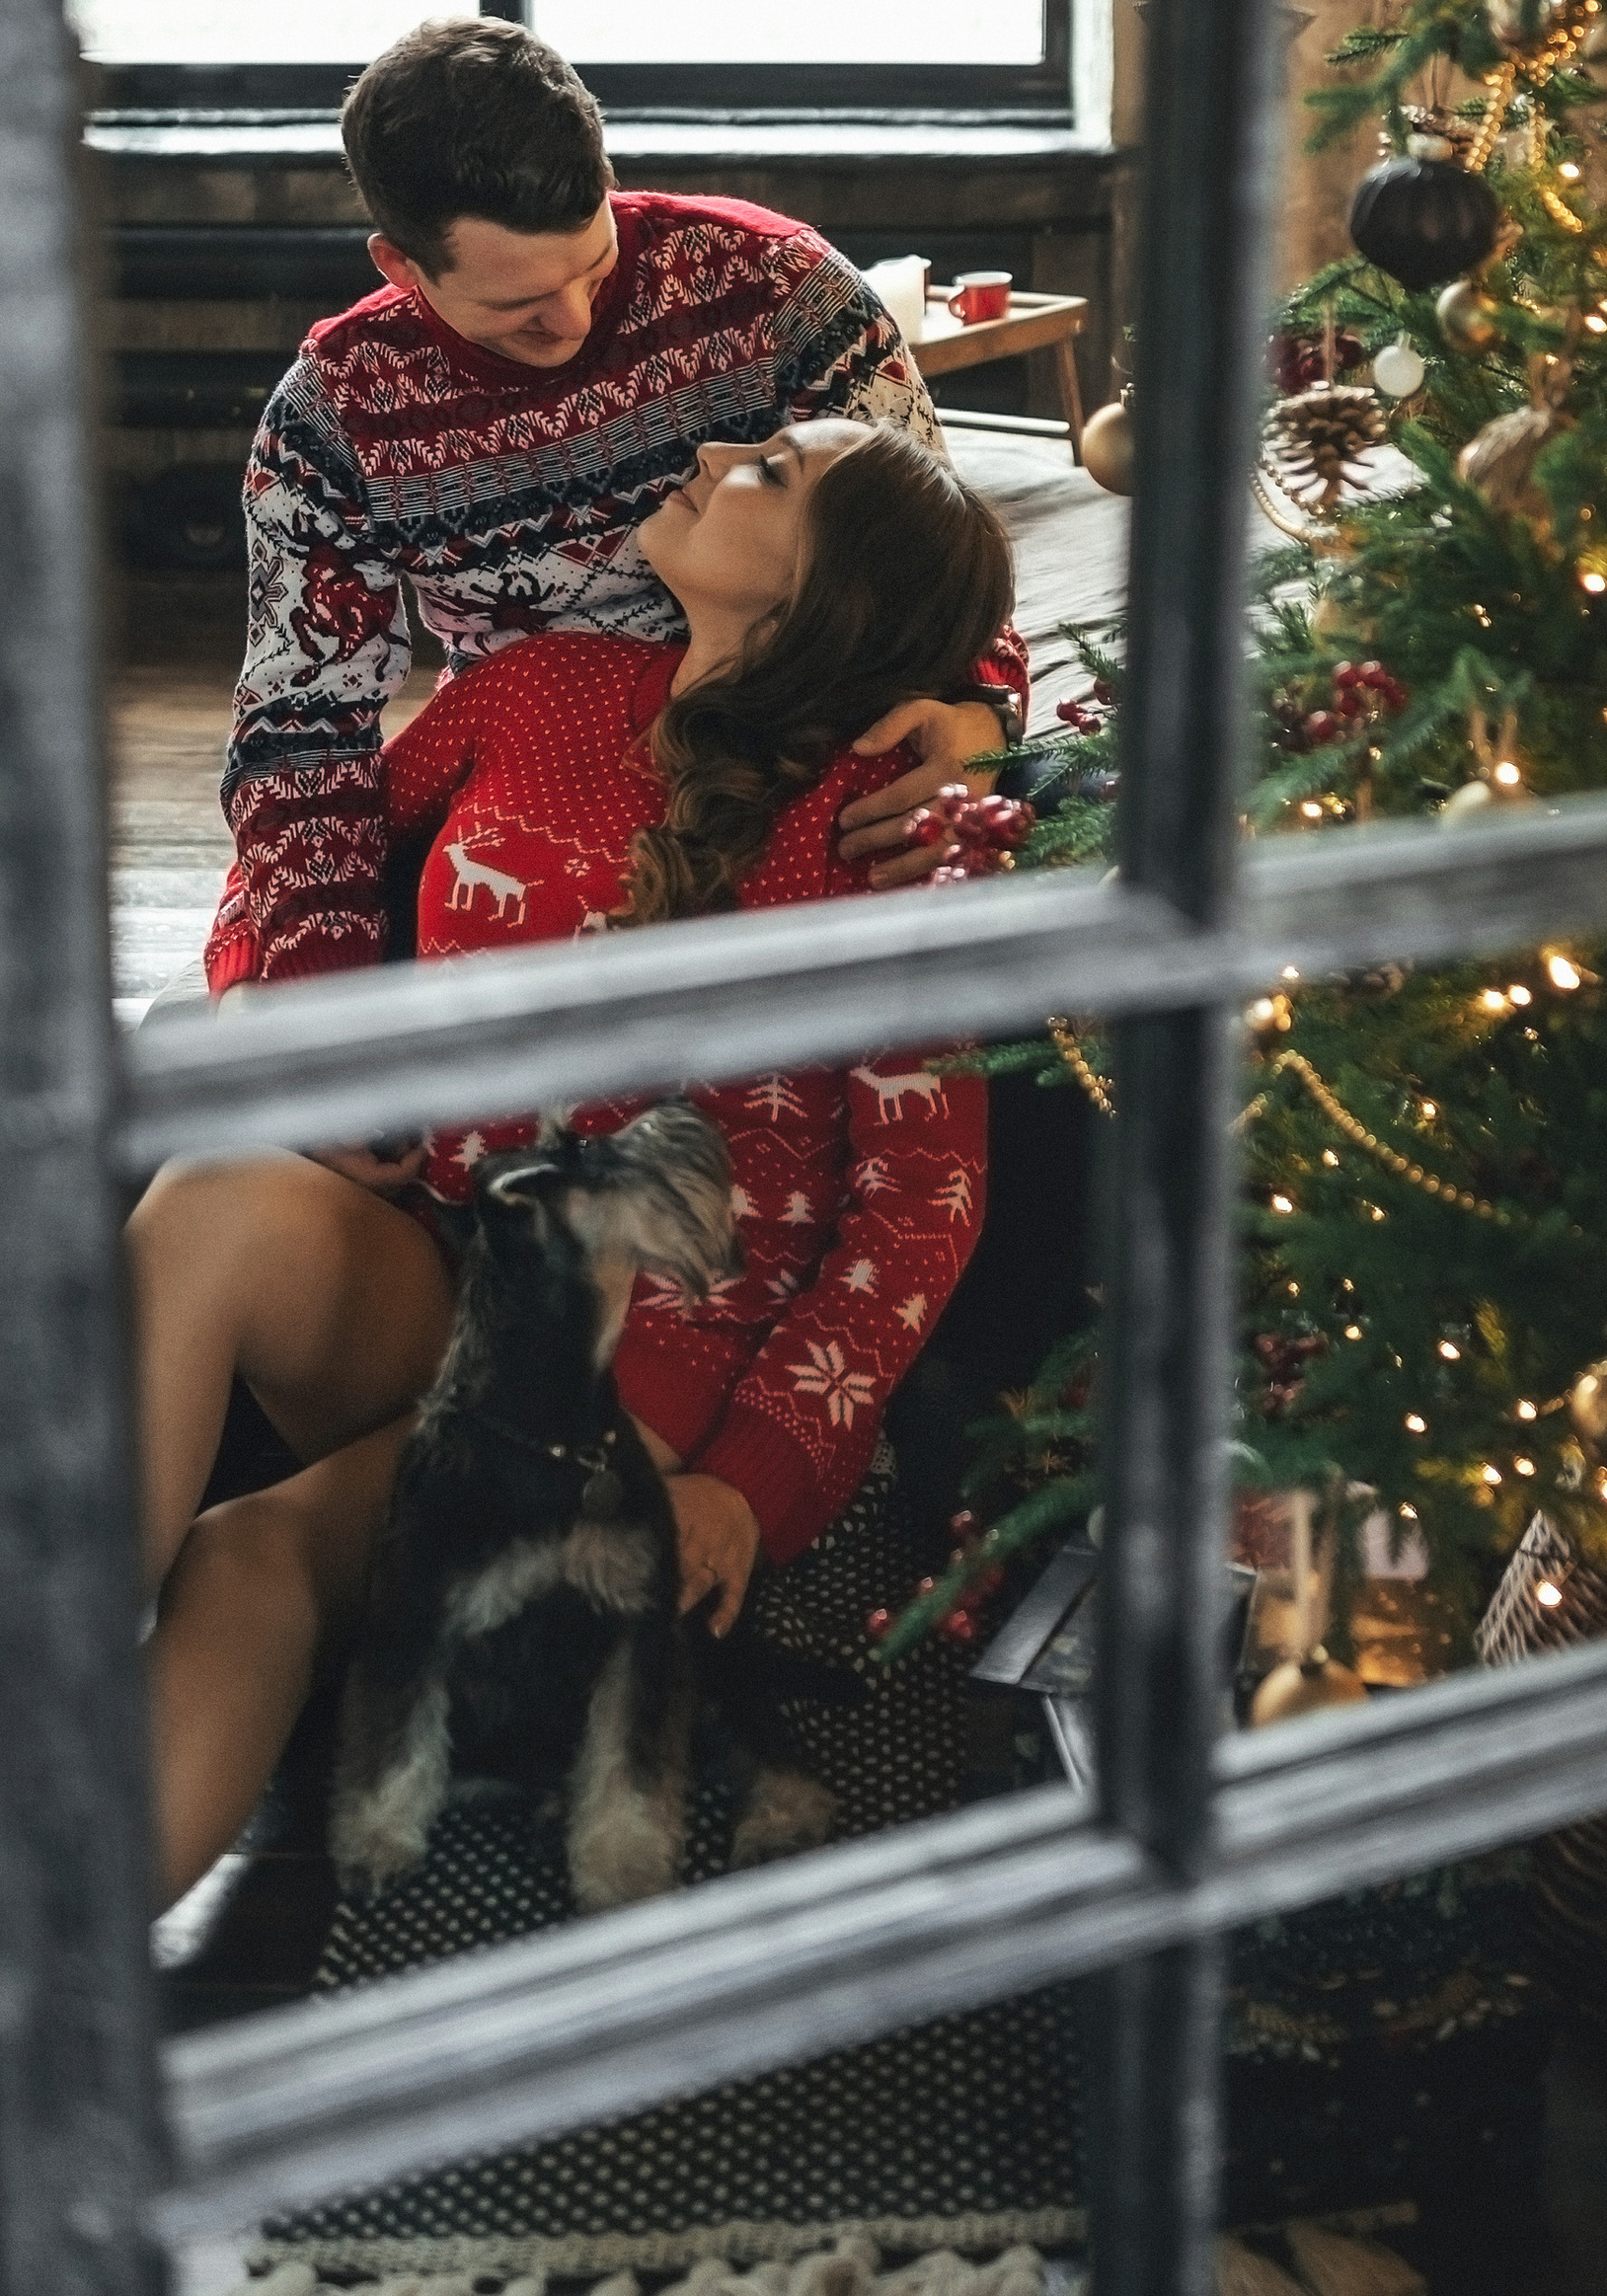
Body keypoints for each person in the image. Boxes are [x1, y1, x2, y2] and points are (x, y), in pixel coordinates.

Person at [135, 415, 1014, 1911]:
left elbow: (919, 1212)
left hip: (641, 1387)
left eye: (776, 472)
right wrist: (293, 1031)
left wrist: (752, 1473)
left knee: (254, 1557)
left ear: (815, 595)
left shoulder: (886, 843)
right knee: (211, 1200)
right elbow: (307, 870)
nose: (725, 441)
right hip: (448, 1267)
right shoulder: (534, 688)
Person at [212, 15, 1027, 991]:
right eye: (520, 307)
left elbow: (928, 553)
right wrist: (314, 988)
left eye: (593, 268)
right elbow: (302, 726)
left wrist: (982, 715)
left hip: (801, 759)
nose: (575, 320)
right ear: (400, 265)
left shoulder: (784, 289)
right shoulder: (333, 417)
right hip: (534, 770)